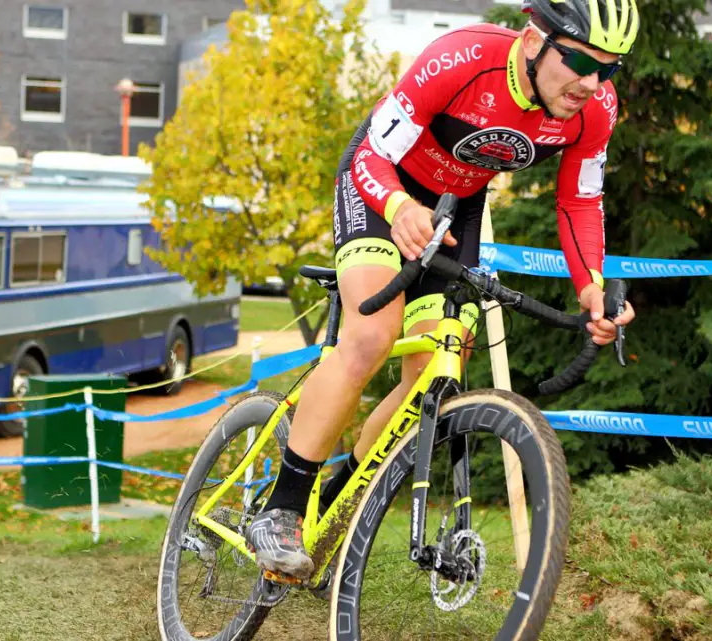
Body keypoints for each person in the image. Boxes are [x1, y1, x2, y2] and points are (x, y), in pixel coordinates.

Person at [244, 0, 641, 579]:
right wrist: (399, 205)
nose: (590, 83)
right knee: (372, 336)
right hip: (383, 185)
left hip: (458, 209)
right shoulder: (463, 58)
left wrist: (591, 287)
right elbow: (374, 154)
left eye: (606, 70)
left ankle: (338, 493)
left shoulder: (594, 110)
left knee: (435, 369)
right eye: (580, 62)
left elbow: (579, 200)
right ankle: (280, 508)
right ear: (534, 41)